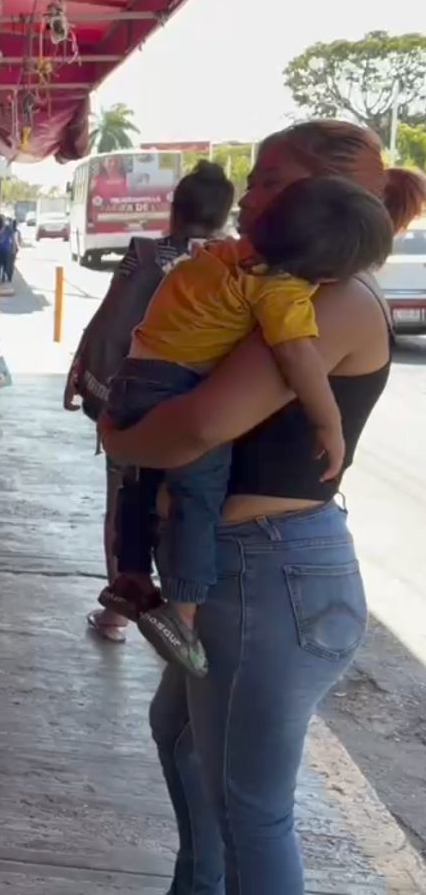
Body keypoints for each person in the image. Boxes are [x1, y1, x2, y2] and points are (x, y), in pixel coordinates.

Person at [101, 119, 426, 894]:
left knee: (250, 807)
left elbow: (198, 428)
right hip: (242, 567)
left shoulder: (332, 301)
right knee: (179, 737)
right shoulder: (268, 280)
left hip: (272, 571)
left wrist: (121, 436)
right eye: (254, 179)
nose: (250, 196)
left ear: (331, 196)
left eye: (272, 180)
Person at [101, 176, 396, 675]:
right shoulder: (280, 290)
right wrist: (329, 422)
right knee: (196, 500)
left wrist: (118, 439)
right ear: (323, 272)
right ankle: (182, 611)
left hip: (136, 377)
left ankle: (130, 575)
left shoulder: (221, 256)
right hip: (175, 386)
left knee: (140, 486)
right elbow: (296, 358)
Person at [66, 161, 235, 642]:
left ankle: (121, 606)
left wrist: (81, 372)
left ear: (173, 208)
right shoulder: (233, 263)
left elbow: (108, 320)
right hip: (203, 405)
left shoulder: (144, 254)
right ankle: (187, 615)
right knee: (190, 504)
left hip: (135, 399)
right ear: (225, 213)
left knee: (125, 496)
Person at [0, 217, 19, 283]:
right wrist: (13, 248)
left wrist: (13, 248)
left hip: (1, 249)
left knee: (0, 264)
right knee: (1, 264)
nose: (1, 222)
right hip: (2, 249)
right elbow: (13, 239)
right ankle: (1, 276)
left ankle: (1, 276)